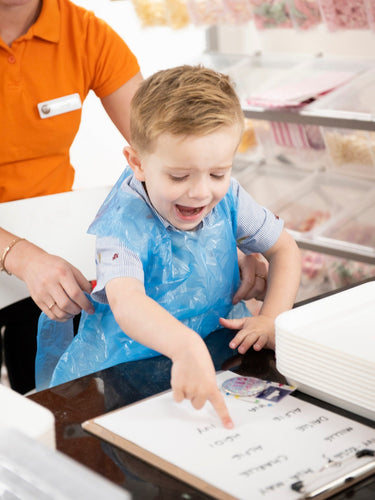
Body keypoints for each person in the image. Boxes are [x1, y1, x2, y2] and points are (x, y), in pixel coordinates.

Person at [0, 0, 268, 394]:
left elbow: (166, 147)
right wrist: (19, 255)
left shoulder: (84, 34)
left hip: (50, 253)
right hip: (27, 254)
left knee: (41, 406)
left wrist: (218, 228)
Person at [36, 65, 301, 428]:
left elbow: (284, 250)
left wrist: (272, 318)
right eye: (179, 176)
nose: (201, 191)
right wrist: (184, 346)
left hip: (215, 351)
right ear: (138, 163)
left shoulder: (230, 197)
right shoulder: (122, 225)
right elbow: (127, 302)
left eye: (218, 173)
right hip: (129, 371)